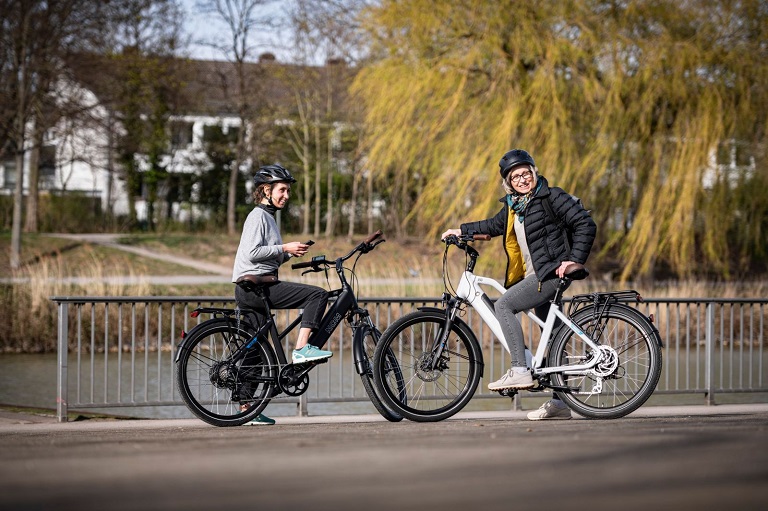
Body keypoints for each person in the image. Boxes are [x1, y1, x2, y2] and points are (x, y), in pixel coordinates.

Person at [441, 149, 596, 420]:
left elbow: (585, 223)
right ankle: (561, 403)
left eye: (526, 173)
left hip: (549, 274)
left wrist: (573, 261)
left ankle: (519, 369)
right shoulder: (514, 206)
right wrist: (461, 231)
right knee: (555, 337)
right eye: (515, 177)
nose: (522, 179)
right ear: (508, 183)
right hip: (536, 276)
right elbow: (491, 226)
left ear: (534, 173)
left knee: (503, 305)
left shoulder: (551, 196)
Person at [233, 163, 331, 425]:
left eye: (288, 191)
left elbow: (269, 259)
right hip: (257, 288)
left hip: (251, 288)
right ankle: (301, 349)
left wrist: (288, 253)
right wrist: (283, 246)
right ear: (266, 190)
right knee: (318, 295)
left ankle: (247, 409)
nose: (286, 195)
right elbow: (252, 253)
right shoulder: (258, 217)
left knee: (255, 349)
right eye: (282, 190)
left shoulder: (268, 218)